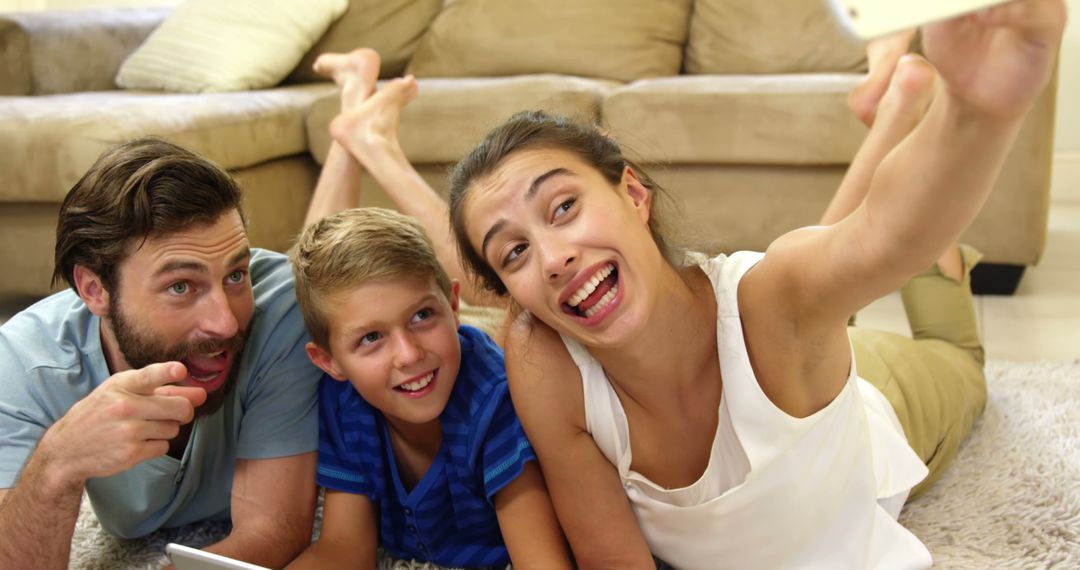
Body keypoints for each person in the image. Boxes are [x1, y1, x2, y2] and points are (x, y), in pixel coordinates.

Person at [440, 1, 1066, 568]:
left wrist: (975, 111)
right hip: (792, 356)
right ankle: (896, 113)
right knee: (808, 311)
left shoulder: (768, 298)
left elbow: (882, 236)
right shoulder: (542, 356)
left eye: (563, 207)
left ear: (634, 194)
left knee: (959, 362)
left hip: (880, 397)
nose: (551, 258)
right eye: (514, 251)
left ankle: (943, 264)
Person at [0, 139, 322, 568]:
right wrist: (59, 463)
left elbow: (272, 528)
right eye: (180, 287)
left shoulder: (279, 310)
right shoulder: (27, 358)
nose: (225, 322)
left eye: (235, 275)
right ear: (95, 290)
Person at [285, 207, 571, 569]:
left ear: (453, 306)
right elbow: (345, 549)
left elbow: (541, 562)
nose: (408, 355)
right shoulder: (343, 400)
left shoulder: (495, 401)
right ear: (329, 362)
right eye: (371, 337)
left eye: (422, 316)